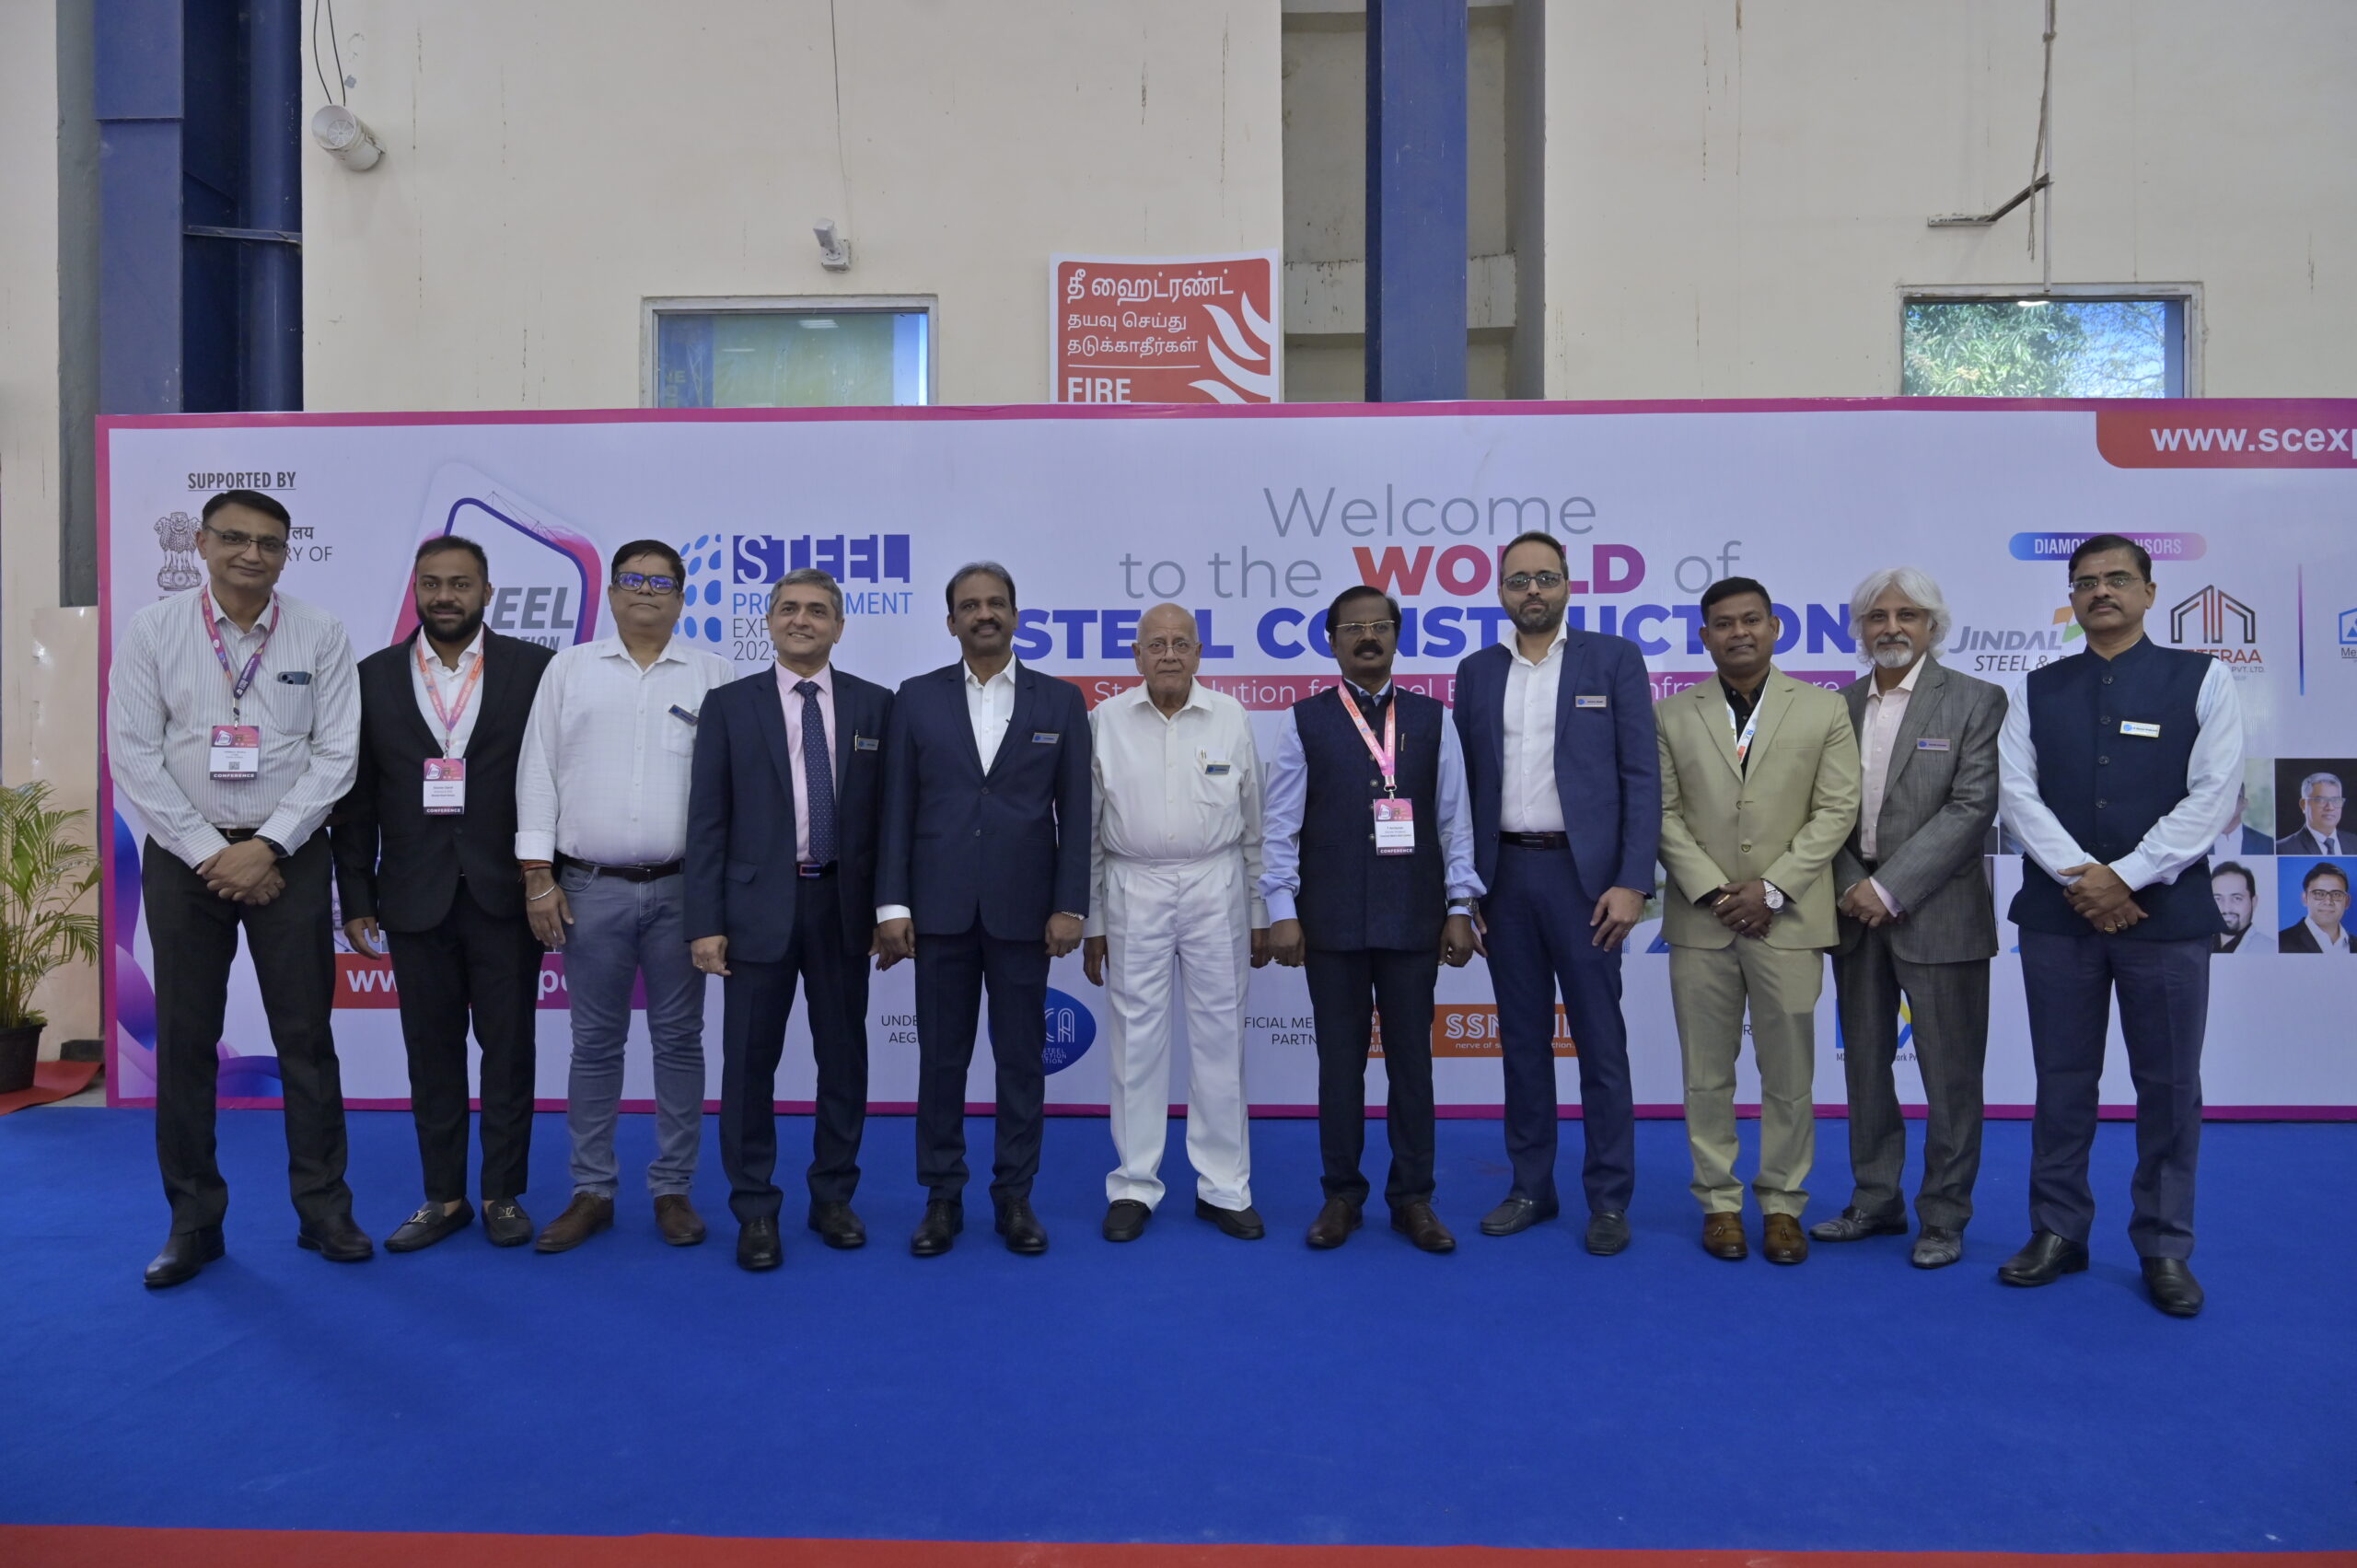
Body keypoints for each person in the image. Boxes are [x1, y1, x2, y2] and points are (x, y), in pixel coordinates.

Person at [107, 488, 369, 1287]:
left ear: (287, 553)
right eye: (234, 538)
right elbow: (134, 753)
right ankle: (193, 1222)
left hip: (290, 855)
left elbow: (338, 755)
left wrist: (267, 846)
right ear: (202, 543)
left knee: (306, 1040)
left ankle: (323, 1209)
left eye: (269, 542)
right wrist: (208, 852)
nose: (252, 554)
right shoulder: (155, 630)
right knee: (186, 1042)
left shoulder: (321, 632)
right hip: (185, 860)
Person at [1996, 533, 2243, 1318]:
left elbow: (2214, 794)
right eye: (2085, 582)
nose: (2100, 591)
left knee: (2168, 1088)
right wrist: (2086, 880)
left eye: (2116, 579)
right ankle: (2058, 1230)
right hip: (2059, 919)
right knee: (2062, 1081)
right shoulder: (2034, 687)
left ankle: (2165, 1244)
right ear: (2071, 597)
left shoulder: (2203, 678)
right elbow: (2017, 795)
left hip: (2166, 921)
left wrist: (2128, 876)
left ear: (2148, 591)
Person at [333, 535, 554, 1252]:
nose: (445, 596)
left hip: (505, 893)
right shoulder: (372, 676)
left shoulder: (536, 668)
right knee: (430, 1052)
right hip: (412, 895)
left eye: (460, 583)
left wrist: (547, 875)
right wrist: (357, 897)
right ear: (416, 590)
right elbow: (356, 799)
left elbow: (555, 779)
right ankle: (444, 1195)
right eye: (432, 583)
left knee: (509, 1049)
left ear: (487, 591)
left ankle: (502, 1193)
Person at [515, 540, 735, 1253]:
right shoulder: (570, 669)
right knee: (594, 1044)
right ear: (611, 593)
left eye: (660, 582)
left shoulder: (715, 674)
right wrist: (537, 874)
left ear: (681, 597)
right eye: (633, 579)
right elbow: (537, 771)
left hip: (683, 890)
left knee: (680, 1040)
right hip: (587, 888)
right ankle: (592, 1190)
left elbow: (734, 789)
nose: (646, 590)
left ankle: (673, 1187)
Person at [875, 563, 1091, 1257]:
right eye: (969, 605)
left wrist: (1070, 904)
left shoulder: (1061, 700)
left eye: (996, 603)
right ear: (951, 622)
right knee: (941, 1061)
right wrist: (892, 903)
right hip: (937, 912)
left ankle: (1015, 1196)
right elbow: (896, 809)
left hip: (1026, 914)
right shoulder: (915, 697)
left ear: (1016, 616)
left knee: (1021, 1060)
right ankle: (942, 1196)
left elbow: (1077, 812)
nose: (984, 614)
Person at [1451, 531, 1657, 1256]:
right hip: (1504, 880)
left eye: (1545, 577)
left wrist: (1633, 881)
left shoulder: (1613, 659)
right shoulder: (1476, 671)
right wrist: (1464, 889)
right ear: (1500, 592)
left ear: (1568, 583)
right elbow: (1461, 787)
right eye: (1519, 580)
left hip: (1587, 884)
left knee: (1601, 1044)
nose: (1532, 590)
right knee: (1521, 1043)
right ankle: (1531, 1186)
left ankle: (1609, 1198)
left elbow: (1642, 777)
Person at [686, 569, 893, 1271]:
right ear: (770, 621)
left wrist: (890, 908)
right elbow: (707, 821)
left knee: (844, 1058)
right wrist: (704, 921)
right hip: (754, 911)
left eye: (817, 610)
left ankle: (833, 1195)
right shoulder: (728, 705)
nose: (802, 620)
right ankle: (754, 1206)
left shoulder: (876, 705)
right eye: (789, 609)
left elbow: (892, 820)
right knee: (749, 1064)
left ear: (839, 626)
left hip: (843, 906)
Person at [1264, 586, 1481, 1254]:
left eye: (1379, 626)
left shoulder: (1434, 718)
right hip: (1328, 922)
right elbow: (1280, 825)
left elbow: (1455, 820)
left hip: (1414, 917)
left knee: (1413, 1064)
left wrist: (1459, 906)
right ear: (1331, 641)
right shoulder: (1302, 721)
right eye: (1353, 628)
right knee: (1340, 1065)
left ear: (1396, 637)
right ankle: (1341, 1195)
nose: (1367, 637)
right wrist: (1281, 910)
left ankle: (1414, 1198)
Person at [1655, 577, 1861, 1266]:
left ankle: (1782, 1205)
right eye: (1723, 623)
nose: (1738, 632)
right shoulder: (1672, 714)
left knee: (1789, 1076)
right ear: (1704, 635)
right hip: (1703, 921)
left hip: (1789, 920)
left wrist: (1772, 889)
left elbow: (1837, 809)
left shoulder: (1824, 708)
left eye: (1751, 620)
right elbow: (1662, 814)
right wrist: (1718, 893)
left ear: (1775, 627)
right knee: (1705, 1075)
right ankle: (1718, 1201)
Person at [1813, 568, 2004, 1271]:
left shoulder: (1977, 700)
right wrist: (1852, 884)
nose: (1891, 626)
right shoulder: (1835, 706)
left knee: (1950, 1077)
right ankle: (1875, 1198)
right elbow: (1818, 809)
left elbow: (1971, 806)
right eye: (1877, 615)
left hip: (1939, 912)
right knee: (1865, 1068)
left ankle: (1944, 1216)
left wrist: (1890, 887)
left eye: (1908, 614)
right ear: (1860, 629)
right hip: (1852, 910)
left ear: (1933, 625)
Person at [1081, 603, 1270, 1243]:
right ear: (1135, 655)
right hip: (1133, 884)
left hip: (1216, 882)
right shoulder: (1105, 721)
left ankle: (1224, 1186)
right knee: (1136, 1039)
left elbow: (1255, 824)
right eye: (1155, 644)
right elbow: (1088, 831)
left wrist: (1259, 909)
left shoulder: (1231, 716)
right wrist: (1093, 918)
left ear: (1198, 653)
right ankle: (1134, 1183)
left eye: (1180, 643)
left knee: (1221, 1037)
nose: (1168, 654)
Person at [2279, 862, 2351, 953]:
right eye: (2319, 894)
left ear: (2347, 901)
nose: (2328, 902)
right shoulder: (2280, 942)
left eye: (2336, 894)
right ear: (2305, 899)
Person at [2275, 772, 2346, 855]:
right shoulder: (2282, 849)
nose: (2330, 807)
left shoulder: (2354, 842)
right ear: (2303, 805)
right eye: (2321, 800)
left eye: (2335, 800)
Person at [2212, 863, 2272, 954]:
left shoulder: (2270, 949)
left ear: (2253, 902)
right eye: (2218, 899)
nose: (2227, 909)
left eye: (2237, 898)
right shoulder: (2197, 946)